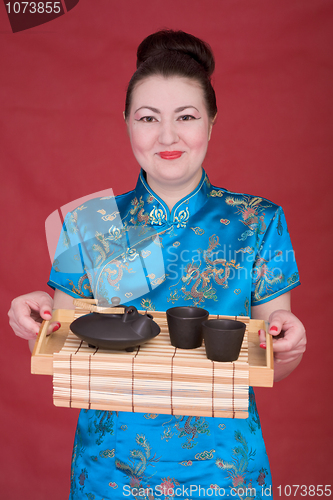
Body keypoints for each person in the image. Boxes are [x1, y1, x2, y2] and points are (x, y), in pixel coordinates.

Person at [8, 30, 306, 499]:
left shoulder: (258, 221)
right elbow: (61, 356)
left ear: (211, 123)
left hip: (225, 472)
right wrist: (39, 321)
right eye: (148, 118)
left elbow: (271, 361)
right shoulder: (91, 223)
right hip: (110, 473)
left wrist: (289, 345)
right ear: (127, 122)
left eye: (186, 117)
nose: (168, 136)